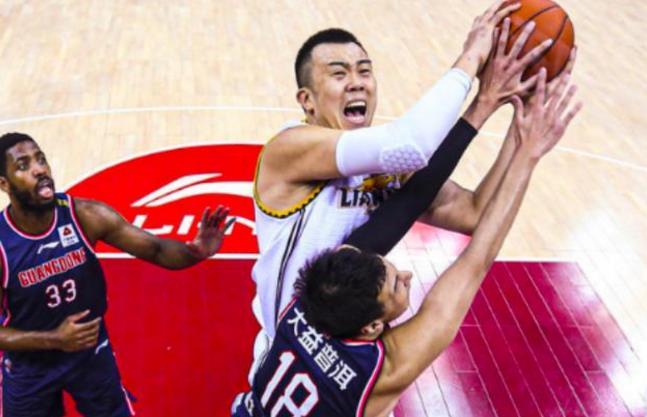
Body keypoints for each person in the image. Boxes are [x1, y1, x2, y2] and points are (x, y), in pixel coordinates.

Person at [233, 61, 583, 416]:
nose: (407, 275)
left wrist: (486, 105)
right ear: (372, 327)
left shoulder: (308, 302)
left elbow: (405, 207)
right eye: (397, 286)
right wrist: (527, 152)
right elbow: (476, 259)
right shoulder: (378, 372)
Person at [248, 0, 558, 379]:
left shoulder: (385, 168)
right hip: (291, 351)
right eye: (339, 73)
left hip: (354, 353)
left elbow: (475, 212)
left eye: (365, 71)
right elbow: (411, 144)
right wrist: (471, 60)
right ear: (306, 100)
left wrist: (521, 120)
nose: (357, 81)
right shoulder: (289, 147)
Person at [0, 132, 234, 417]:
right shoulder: (2, 244)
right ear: (4, 184)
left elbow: (157, 249)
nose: (39, 170)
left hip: (88, 351)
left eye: (41, 159)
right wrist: (55, 339)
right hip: (30, 365)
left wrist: (194, 251)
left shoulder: (85, 215)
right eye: (23, 166)